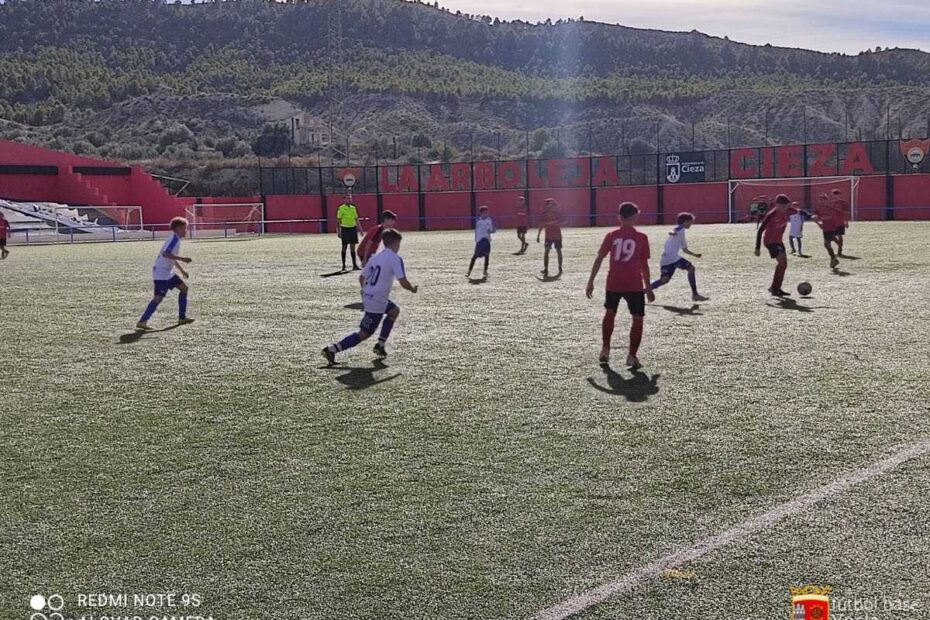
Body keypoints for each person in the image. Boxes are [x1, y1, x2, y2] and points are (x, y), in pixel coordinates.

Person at [322, 230, 418, 363]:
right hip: (377, 301)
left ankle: (380, 345)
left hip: (370, 296)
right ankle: (331, 349)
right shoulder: (395, 258)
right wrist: (412, 289)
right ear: (395, 243)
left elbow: (361, 277)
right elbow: (403, 281)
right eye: (399, 244)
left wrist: (367, 291)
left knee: (394, 311)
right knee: (364, 334)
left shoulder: (375, 257)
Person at [586, 202, 654, 369]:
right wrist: (649, 288)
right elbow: (644, 265)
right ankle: (631, 356)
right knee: (637, 318)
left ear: (619, 217)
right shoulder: (641, 237)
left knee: (610, 313)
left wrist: (591, 281)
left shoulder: (612, 235)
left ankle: (605, 349)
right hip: (634, 284)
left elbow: (599, 258)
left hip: (614, 282)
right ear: (635, 217)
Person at [136, 217, 194, 330]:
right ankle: (142, 321)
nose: (186, 230)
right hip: (161, 273)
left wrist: (182, 271)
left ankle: (182, 318)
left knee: (184, 289)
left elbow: (170, 257)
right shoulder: (174, 239)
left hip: (167, 272)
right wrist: (183, 259)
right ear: (178, 228)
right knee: (158, 298)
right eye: (184, 228)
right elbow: (166, 254)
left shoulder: (175, 238)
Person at [651, 212, 708, 302]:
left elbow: (684, 250)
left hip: (666, 258)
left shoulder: (682, 233)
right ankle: (695, 295)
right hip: (671, 257)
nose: (691, 224)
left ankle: (642, 291)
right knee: (691, 268)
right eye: (690, 222)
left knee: (664, 280)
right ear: (685, 221)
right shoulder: (680, 229)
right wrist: (672, 233)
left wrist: (694, 255)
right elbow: (673, 230)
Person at [754, 194, 794, 297]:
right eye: (782, 206)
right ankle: (775, 288)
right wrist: (757, 248)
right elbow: (760, 230)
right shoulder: (771, 215)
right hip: (770, 241)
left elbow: (799, 211)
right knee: (782, 263)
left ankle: (776, 288)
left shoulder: (787, 211)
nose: (785, 208)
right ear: (777, 205)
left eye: (786, 206)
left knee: (783, 264)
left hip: (779, 241)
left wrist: (809, 215)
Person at [335, 196, 364, 271]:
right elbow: (338, 220)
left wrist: (360, 230)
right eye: (347, 198)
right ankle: (344, 266)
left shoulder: (353, 208)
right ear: (344, 199)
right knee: (344, 246)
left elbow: (356, 219)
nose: (349, 200)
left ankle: (354, 265)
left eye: (350, 198)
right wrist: (338, 231)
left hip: (353, 229)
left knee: (353, 247)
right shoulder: (341, 208)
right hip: (345, 229)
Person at [537, 198, 564, 276]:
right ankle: (546, 268)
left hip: (557, 236)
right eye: (548, 204)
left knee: (558, 251)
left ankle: (560, 267)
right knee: (546, 251)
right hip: (548, 236)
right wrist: (538, 235)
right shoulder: (545, 214)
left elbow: (564, 222)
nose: (550, 205)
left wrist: (558, 224)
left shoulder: (558, 213)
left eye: (551, 203)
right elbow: (541, 225)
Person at [814, 192, 841, 268]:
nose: (822, 201)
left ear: (827, 200)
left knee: (826, 244)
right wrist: (818, 223)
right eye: (821, 200)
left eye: (824, 200)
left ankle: (833, 258)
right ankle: (834, 259)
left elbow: (837, 215)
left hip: (831, 228)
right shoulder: (819, 209)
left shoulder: (831, 208)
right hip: (825, 229)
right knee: (827, 245)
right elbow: (815, 216)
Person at [468, 206, 495, 279]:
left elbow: (491, 230)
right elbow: (476, 232)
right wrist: (476, 240)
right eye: (484, 213)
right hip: (480, 241)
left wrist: (492, 230)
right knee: (475, 256)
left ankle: (485, 270)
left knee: (487, 256)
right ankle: (469, 271)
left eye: (487, 212)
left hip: (487, 240)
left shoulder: (489, 220)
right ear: (481, 213)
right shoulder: (478, 222)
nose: (486, 214)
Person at [831, 188, 851, 256]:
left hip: (840, 222)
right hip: (832, 222)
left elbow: (847, 212)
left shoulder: (843, 203)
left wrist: (846, 222)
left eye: (837, 194)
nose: (836, 196)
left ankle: (839, 251)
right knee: (831, 236)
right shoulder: (831, 203)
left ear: (840, 195)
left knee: (840, 236)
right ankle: (840, 246)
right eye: (835, 195)